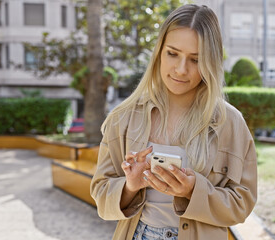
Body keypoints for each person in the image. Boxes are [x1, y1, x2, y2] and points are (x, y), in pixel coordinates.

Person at [90, 4, 257, 240]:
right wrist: (130, 186)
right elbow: (100, 194)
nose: (181, 69)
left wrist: (192, 191)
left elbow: (242, 204)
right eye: (172, 53)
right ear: (159, 52)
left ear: (210, 63)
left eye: (195, 59)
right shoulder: (123, 117)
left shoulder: (230, 123)